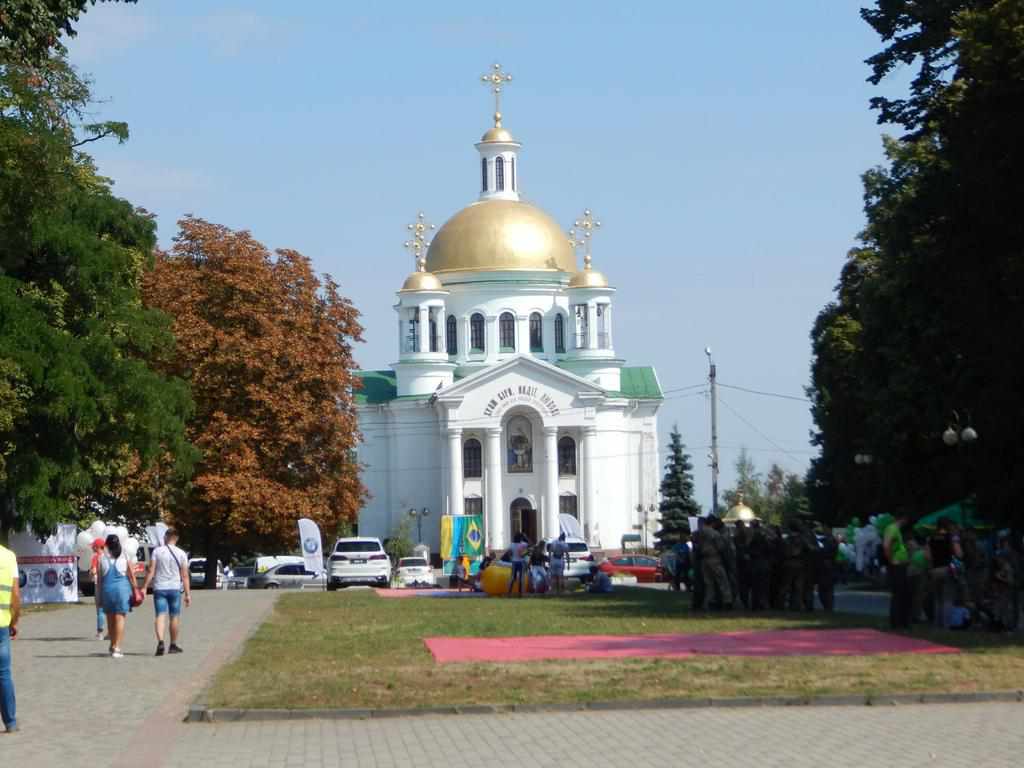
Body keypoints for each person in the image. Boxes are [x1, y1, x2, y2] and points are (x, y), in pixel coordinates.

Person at [142, 528, 190, 656]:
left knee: (160, 615)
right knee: (174, 616)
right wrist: (187, 594)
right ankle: (173, 644)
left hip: (159, 587)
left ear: (165, 537)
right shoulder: (181, 553)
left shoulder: (157, 551)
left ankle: (161, 642)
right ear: (177, 538)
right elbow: (185, 575)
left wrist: (144, 586)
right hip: (174, 588)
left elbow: (151, 570)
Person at [97, 534, 133, 658]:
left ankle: (112, 645)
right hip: (122, 590)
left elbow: (100, 581)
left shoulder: (101, 558)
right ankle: (117, 647)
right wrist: (135, 589)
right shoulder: (125, 556)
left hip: (107, 590)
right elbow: (131, 575)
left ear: (106, 545)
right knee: (120, 618)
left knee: (110, 619)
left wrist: (99, 598)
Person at [0, 540, 21, 733]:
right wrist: (14, 621)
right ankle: (10, 722)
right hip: (2, 624)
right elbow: (15, 594)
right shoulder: (8, 556)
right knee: (4, 674)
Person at [928, 517, 962, 628]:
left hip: (934, 570)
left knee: (937, 599)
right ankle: (946, 626)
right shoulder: (951, 537)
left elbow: (927, 555)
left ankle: (937, 624)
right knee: (947, 598)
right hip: (947, 569)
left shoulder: (931, 537)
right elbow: (959, 554)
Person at [884, 512, 912, 630]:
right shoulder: (892, 528)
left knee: (902, 594)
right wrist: (891, 560)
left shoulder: (895, 529)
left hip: (900, 564)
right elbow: (886, 545)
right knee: (899, 594)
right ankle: (897, 622)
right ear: (903, 518)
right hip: (897, 566)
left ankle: (901, 621)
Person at [699, 516, 732, 610]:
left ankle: (710, 602)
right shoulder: (714, 533)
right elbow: (721, 547)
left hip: (704, 560)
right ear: (712, 523)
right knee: (723, 581)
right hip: (714, 559)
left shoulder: (699, 532)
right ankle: (727, 601)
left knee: (709, 583)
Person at [779, 520, 807, 611]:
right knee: (798, 587)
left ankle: (781, 604)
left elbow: (783, 552)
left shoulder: (786, 539)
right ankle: (796, 605)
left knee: (785, 586)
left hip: (788, 563)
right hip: (799, 564)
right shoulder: (802, 539)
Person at [88, 538, 108, 640]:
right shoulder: (108, 557)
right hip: (109, 585)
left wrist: (91, 573)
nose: (92, 547)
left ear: (97, 547)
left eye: (93, 546)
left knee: (100, 609)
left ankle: (100, 633)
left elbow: (94, 571)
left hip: (99, 585)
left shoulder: (96, 557)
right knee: (110, 609)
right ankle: (110, 632)